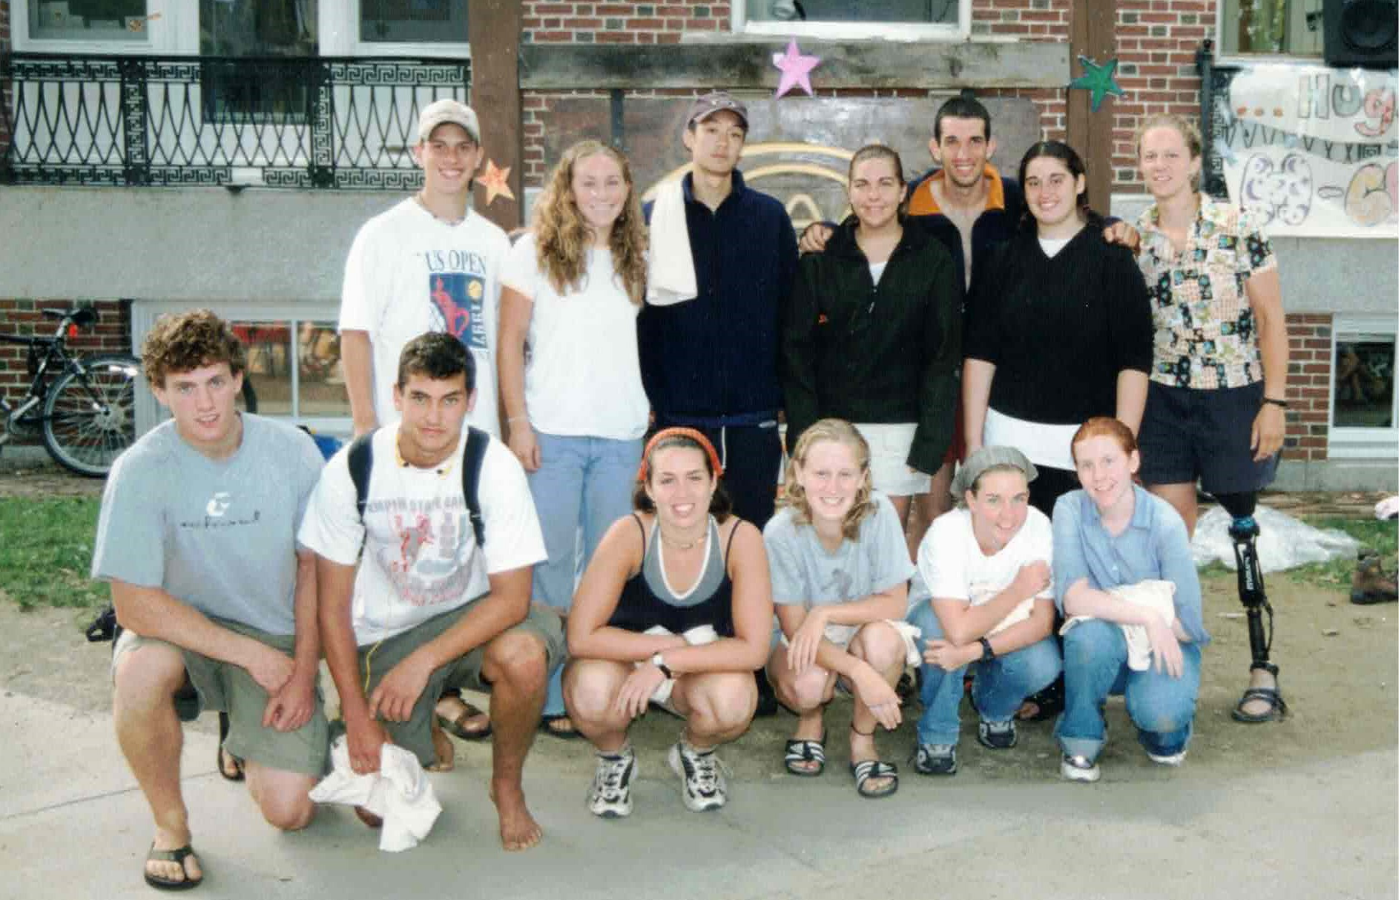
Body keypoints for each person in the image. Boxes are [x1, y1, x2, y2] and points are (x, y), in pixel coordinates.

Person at [298, 332, 563, 851]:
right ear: (396, 396)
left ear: (471, 400)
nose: (434, 418)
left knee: (525, 656)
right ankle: (423, 727)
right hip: (385, 633)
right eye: (419, 398)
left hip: (471, 618)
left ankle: (506, 787)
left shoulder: (493, 464)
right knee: (377, 812)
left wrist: (424, 663)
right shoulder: (354, 469)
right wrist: (354, 714)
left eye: (450, 400)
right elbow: (330, 607)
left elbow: (512, 598)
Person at [92, 310, 328, 891]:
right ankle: (170, 827)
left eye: (216, 382)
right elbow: (134, 608)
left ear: (239, 377)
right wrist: (249, 656)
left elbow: (314, 572)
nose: (205, 404)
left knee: (290, 812)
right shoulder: (139, 470)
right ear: (158, 391)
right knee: (139, 670)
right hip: (181, 631)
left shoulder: (293, 455)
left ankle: (243, 734)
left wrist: (301, 672)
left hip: (271, 629)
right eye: (185, 387)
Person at [339, 98, 512, 741]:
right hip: (404, 431)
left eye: (461, 146)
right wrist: (365, 420)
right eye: (436, 145)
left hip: (473, 431)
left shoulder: (493, 243)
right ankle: (393, 683)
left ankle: (442, 685)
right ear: (419, 154)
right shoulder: (382, 234)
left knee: (463, 558)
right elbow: (356, 333)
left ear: (476, 158)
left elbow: (504, 337)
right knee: (402, 558)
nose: (449, 157)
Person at [640, 90, 796, 715]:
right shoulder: (655, 215)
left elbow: (789, 312)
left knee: (746, 544)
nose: (721, 141)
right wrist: (655, 401)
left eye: (734, 131)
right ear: (689, 137)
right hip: (681, 416)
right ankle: (677, 667)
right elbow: (642, 319)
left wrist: (782, 399)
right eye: (710, 129)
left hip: (753, 416)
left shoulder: (768, 216)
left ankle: (744, 667)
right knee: (681, 540)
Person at [1133, 113, 1290, 725]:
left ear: (1194, 162)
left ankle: (1262, 668)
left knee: (1243, 531)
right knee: (1169, 538)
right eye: (1150, 156)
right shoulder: (1135, 235)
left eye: (1171, 155)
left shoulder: (1238, 226)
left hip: (1233, 396)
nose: (1161, 166)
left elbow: (1272, 319)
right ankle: (1172, 667)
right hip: (1165, 401)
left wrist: (1273, 403)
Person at [498, 140, 651, 739]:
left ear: (628, 189)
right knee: (552, 566)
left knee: (604, 568)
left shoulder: (637, 252)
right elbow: (509, 342)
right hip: (552, 432)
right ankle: (546, 690)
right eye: (589, 182)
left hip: (619, 433)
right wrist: (518, 423)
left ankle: (589, 684)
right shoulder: (530, 253)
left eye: (613, 182)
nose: (602, 194)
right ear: (566, 189)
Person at [563, 428, 772, 817]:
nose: (682, 493)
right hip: (624, 665)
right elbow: (580, 636)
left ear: (713, 482)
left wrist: (667, 663)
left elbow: (755, 649)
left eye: (694, 478)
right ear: (649, 487)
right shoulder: (629, 533)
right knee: (590, 690)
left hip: (694, 671)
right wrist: (666, 650)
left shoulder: (740, 537)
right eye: (667, 480)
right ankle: (613, 758)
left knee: (733, 700)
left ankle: (694, 751)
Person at [962, 140, 1153, 516]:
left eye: (1055, 180)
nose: (1044, 192)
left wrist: (1121, 446)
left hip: (1084, 450)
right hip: (1008, 444)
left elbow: (1134, 362)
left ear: (1079, 183)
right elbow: (980, 356)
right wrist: (973, 442)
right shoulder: (1000, 261)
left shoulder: (1113, 261)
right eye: (1033, 182)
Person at [782, 145, 961, 537]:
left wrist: (930, 441)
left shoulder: (932, 259)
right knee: (830, 538)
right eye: (862, 184)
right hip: (831, 429)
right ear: (849, 192)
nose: (873, 195)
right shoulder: (822, 258)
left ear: (902, 192)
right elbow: (797, 352)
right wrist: (804, 436)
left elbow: (943, 356)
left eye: (884, 184)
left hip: (900, 429)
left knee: (885, 541)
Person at [763, 419, 917, 799]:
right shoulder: (780, 531)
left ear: (864, 476)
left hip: (861, 622)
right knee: (807, 686)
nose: (832, 488)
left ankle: (862, 739)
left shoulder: (880, 514)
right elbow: (797, 628)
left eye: (846, 474)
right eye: (820, 474)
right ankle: (811, 719)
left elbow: (896, 602)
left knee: (885, 643)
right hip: (805, 637)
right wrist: (858, 671)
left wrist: (825, 613)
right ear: (798, 472)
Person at [1052, 417, 1209, 782]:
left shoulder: (1165, 522)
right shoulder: (1069, 509)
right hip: (1111, 636)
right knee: (1086, 637)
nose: (1099, 475)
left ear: (1133, 462)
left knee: (1162, 722)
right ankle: (1081, 735)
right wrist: (1148, 615)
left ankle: (1169, 726)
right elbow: (1074, 599)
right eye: (1086, 465)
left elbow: (1188, 623)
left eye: (1110, 461)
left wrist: (1154, 624)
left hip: (1165, 638)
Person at [905, 446, 1061, 777]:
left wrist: (976, 651)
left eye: (1019, 498)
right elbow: (958, 630)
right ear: (970, 500)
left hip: (996, 628)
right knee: (936, 630)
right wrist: (1020, 589)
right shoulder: (946, 533)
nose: (1009, 514)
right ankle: (938, 731)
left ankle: (993, 706)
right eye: (993, 500)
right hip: (946, 622)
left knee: (1044, 662)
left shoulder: (1037, 526)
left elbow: (1043, 621)